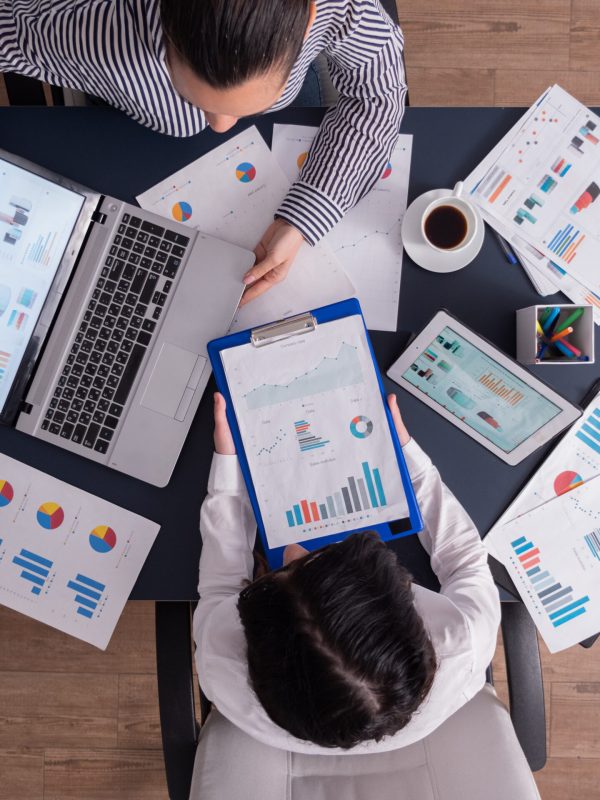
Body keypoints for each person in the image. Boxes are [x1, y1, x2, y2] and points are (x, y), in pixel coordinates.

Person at [0, 0, 406, 305]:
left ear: (310, 18)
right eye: (191, 95)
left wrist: (303, 218)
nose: (220, 126)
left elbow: (380, 92)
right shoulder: (75, 30)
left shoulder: (342, 6)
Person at [193, 392, 501, 753]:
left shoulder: (224, 663)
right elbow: (464, 558)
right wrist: (404, 456)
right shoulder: (464, 639)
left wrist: (229, 474)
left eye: (283, 570)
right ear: (400, 597)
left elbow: (221, 588)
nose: (295, 546)